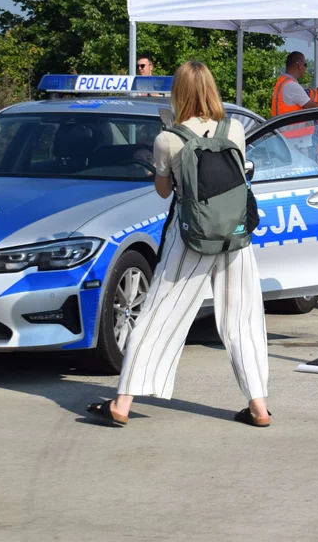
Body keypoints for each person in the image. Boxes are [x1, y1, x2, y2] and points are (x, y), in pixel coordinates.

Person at [84, 60, 270, 428]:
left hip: (190, 238)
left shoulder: (168, 139)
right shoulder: (234, 129)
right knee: (243, 319)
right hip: (235, 237)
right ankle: (259, 406)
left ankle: (123, 402)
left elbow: (164, 191)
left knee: (159, 316)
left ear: (178, 92)